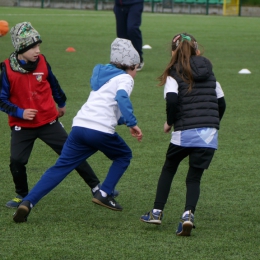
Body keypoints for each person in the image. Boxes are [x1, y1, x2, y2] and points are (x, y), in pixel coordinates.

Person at [13, 37, 143, 223]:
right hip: (99, 129)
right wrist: (132, 123)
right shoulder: (125, 78)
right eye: (136, 68)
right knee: (123, 156)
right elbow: (121, 97)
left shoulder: (104, 75)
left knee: (61, 167)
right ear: (132, 65)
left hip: (80, 126)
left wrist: (122, 121)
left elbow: (106, 105)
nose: (135, 73)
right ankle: (104, 193)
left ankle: (28, 202)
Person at [0, 21, 110, 209]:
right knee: (16, 160)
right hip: (22, 126)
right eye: (33, 46)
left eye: (38, 45)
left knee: (72, 153)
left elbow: (53, 83)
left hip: (48, 121)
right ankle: (22, 195)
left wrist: (61, 103)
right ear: (20, 47)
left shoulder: (42, 61)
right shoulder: (6, 69)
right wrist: (20, 112)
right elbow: (2, 100)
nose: (37, 50)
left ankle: (96, 187)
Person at [140, 33, 226, 236]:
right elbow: (221, 103)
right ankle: (188, 215)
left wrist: (170, 122)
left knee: (169, 168)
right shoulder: (210, 74)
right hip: (209, 134)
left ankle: (156, 212)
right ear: (197, 50)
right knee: (194, 178)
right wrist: (212, 124)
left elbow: (171, 100)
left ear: (173, 51)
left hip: (185, 132)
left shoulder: (173, 73)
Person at [113, 0, 144, 71]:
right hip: (119, 4)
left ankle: (138, 58)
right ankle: (124, 60)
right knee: (121, 34)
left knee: (132, 28)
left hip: (135, 3)